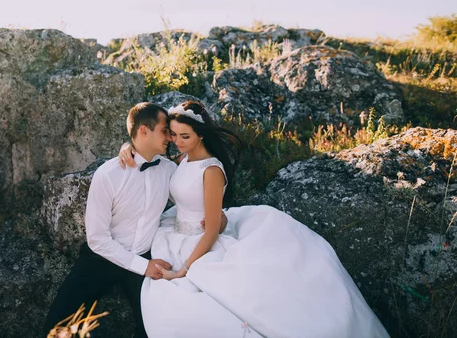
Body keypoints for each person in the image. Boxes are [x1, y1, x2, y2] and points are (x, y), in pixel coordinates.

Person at [120, 100, 390, 338]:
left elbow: (212, 229)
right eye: (174, 135)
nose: (176, 142)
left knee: (207, 305)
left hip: (200, 242)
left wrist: (184, 270)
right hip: (173, 233)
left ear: (200, 135)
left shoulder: (211, 170)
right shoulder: (182, 159)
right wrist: (128, 147)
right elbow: (152, 159)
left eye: (185, 136)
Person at [42, 102, 226, 338]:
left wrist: (218, 220)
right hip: (103, 258)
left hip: (147, 254)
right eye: (165, 131)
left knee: (157, 326)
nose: (170, 138)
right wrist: (143, 266)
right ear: (143, 131)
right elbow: (97, 239)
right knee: (57, 326)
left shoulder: (170, 169)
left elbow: (196, 191)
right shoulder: (108, 175)